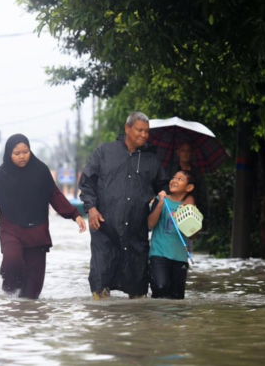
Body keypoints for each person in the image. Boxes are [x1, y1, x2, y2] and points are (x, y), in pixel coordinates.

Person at [0, 134, 86, 299]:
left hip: (37, 232)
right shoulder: (1, 175)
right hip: (11, 229)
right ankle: (8, 302)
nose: (22, 156)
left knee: (31, 294)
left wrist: (75, 215)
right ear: (9, 154)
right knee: (12, 262)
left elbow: (55, 196)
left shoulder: (41, 171)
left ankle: (27, 317)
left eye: (26, 151)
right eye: (17, 153)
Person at [80, 111, 168, 300]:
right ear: (127, 128)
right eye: (139, 130)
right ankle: (104, 327)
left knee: (138, 293)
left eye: (146, 131)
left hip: (136, 234)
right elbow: (87, 183)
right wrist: (92, 209)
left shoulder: (151, 160)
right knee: (101, 287)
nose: (143, 135)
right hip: (105, 230)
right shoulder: (104, 152)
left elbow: (164, 189)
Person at [148, 170, 197, 299]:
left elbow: (192, 235)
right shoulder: (160, 200)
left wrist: (187, 219)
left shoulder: (189, 207)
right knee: (160, 287)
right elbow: (150, 224)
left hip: (179, 257)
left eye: (180, 179)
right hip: (158, 254)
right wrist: (160, 205)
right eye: (174, 177)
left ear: (189, 187)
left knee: (177, 297)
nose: (174, 180)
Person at [166, 142, 208, 218]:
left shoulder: (197, 173)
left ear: (192, 153)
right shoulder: (170, 169)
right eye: (183, 151)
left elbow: (202, 196)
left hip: (191, 213)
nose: (185, 154)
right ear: (178, 152)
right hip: (170, 208)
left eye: (188, 151)